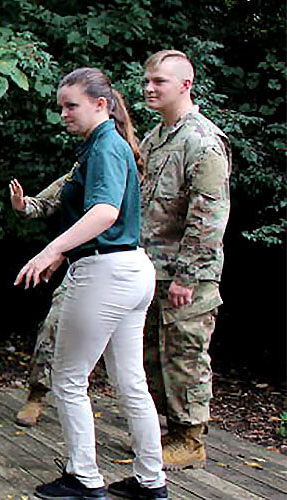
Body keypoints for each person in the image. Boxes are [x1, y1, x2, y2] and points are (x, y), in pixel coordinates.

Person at [16, 68, 167, 500]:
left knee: (68, 378)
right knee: (130, 381)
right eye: (61, 106)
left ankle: (84, 477)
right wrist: (63, 250)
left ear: (100, 105)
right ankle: (150, 481)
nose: (63, 113)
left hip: (105, 273)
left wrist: (51, 250)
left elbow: (104, 213)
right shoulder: (105, 146)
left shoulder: (105, 146)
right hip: (131, 270)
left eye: (71, 106)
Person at [139, 49, 231, 470]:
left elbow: (208, 217)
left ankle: (191, 438)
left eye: (159, 81)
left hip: (186, 276)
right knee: (157, 355)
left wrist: (187, 277)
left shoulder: (202, 141)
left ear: (185, 85)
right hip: (153, 267)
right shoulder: (157, 138)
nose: (149, 88)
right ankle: (171, 428)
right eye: (147, 81)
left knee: (185, 355)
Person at [7, 173, 70, 426]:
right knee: (54, 325)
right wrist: (23, 205)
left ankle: (170, 423)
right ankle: (37, 394)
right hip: (86, 265)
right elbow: (50, 200)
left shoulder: (134, 160)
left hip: (132, 266)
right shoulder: (86, 162)